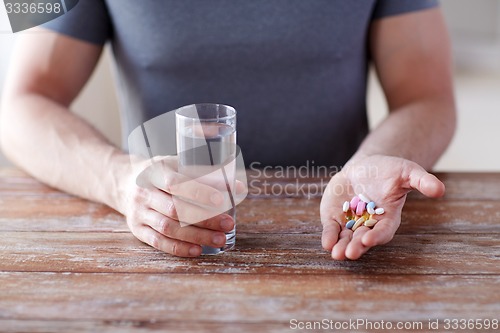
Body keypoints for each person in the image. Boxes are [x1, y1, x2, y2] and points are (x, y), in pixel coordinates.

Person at [0, 0, 455, 260]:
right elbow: (20, 104)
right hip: (163, 239)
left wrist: (371, 167)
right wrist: (119, 180)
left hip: (335, 236)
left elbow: (428, 96)